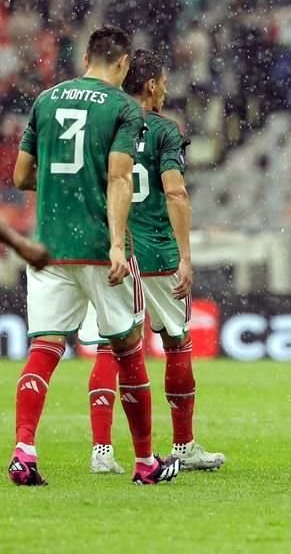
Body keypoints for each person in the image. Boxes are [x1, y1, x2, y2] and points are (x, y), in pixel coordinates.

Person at [8, 26, 180, 486]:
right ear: (123, 64)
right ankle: (145, 462)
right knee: (127, 350)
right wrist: (118, 243)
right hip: (100, 248)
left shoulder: (46, 100)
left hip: (49, 246)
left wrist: (64, 186)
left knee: (44, 349)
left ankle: (24, 451)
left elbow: (22, 175)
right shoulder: (123, 107)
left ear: (87, 56)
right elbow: (120, 179)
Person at [78, 49, 225, 474]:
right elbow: (176, 193)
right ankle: (183, 445)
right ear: (152, 85)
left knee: (112, 344)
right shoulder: (163, 129)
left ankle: (102, 451)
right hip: (158, 253)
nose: (167, 89)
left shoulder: (107, 126)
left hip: (117, 250)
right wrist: (186, 257)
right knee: (177, 342)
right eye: (163, 82)